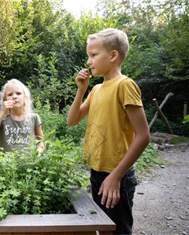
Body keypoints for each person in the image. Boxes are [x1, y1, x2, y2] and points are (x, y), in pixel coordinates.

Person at [67, 28, 150, 234]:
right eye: (89, 56)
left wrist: (115, 176)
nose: (88, 61)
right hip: (97, 172)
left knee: (118, 230)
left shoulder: (125, 85)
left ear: (113, 56)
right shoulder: (96, 90)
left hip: (117, 176)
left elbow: (143, 136)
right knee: (102, 228)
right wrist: (81, 89)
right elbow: (72, 120)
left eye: (93, 55)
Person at [0, 79, 44, 153]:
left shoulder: (34, 118)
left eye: (18, 93)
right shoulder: (2, 118)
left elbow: (41, 142)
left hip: (28, 162)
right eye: (10, 94)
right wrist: (3, 113)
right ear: (5, 99)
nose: (14, 97)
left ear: (25, 97)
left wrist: (38, 153)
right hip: (7, 163)